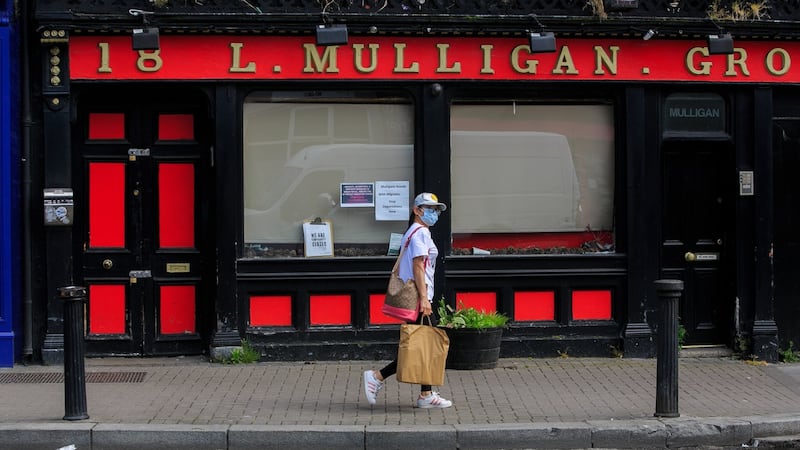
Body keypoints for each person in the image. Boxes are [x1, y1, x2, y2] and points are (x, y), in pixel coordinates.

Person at [363, 192, 453, 409]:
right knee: (417, 345)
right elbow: (418, 266)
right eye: (429, 209)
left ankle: (426, 394)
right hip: (418, 297)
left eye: (436, 210)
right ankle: (377, 377)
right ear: (416, 210)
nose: (434, 213)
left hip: (417, 295)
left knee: (421, 344)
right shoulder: (420, 233)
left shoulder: (414, 232)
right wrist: (424, 299)